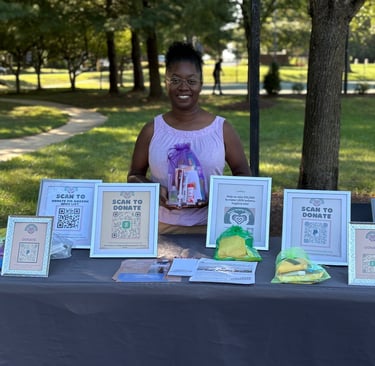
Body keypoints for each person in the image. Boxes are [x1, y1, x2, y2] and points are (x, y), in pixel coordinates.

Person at [127, 41, 251, 234]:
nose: (183, 87)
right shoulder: (152, 130)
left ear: (201, 84)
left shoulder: (222, 129)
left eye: (191, 81)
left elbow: (244, 176)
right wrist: (154, 191)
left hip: (212, 228)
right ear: (166, 82)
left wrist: (216, 197)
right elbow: (134, 175)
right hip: (159, 228)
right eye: (175, 80)